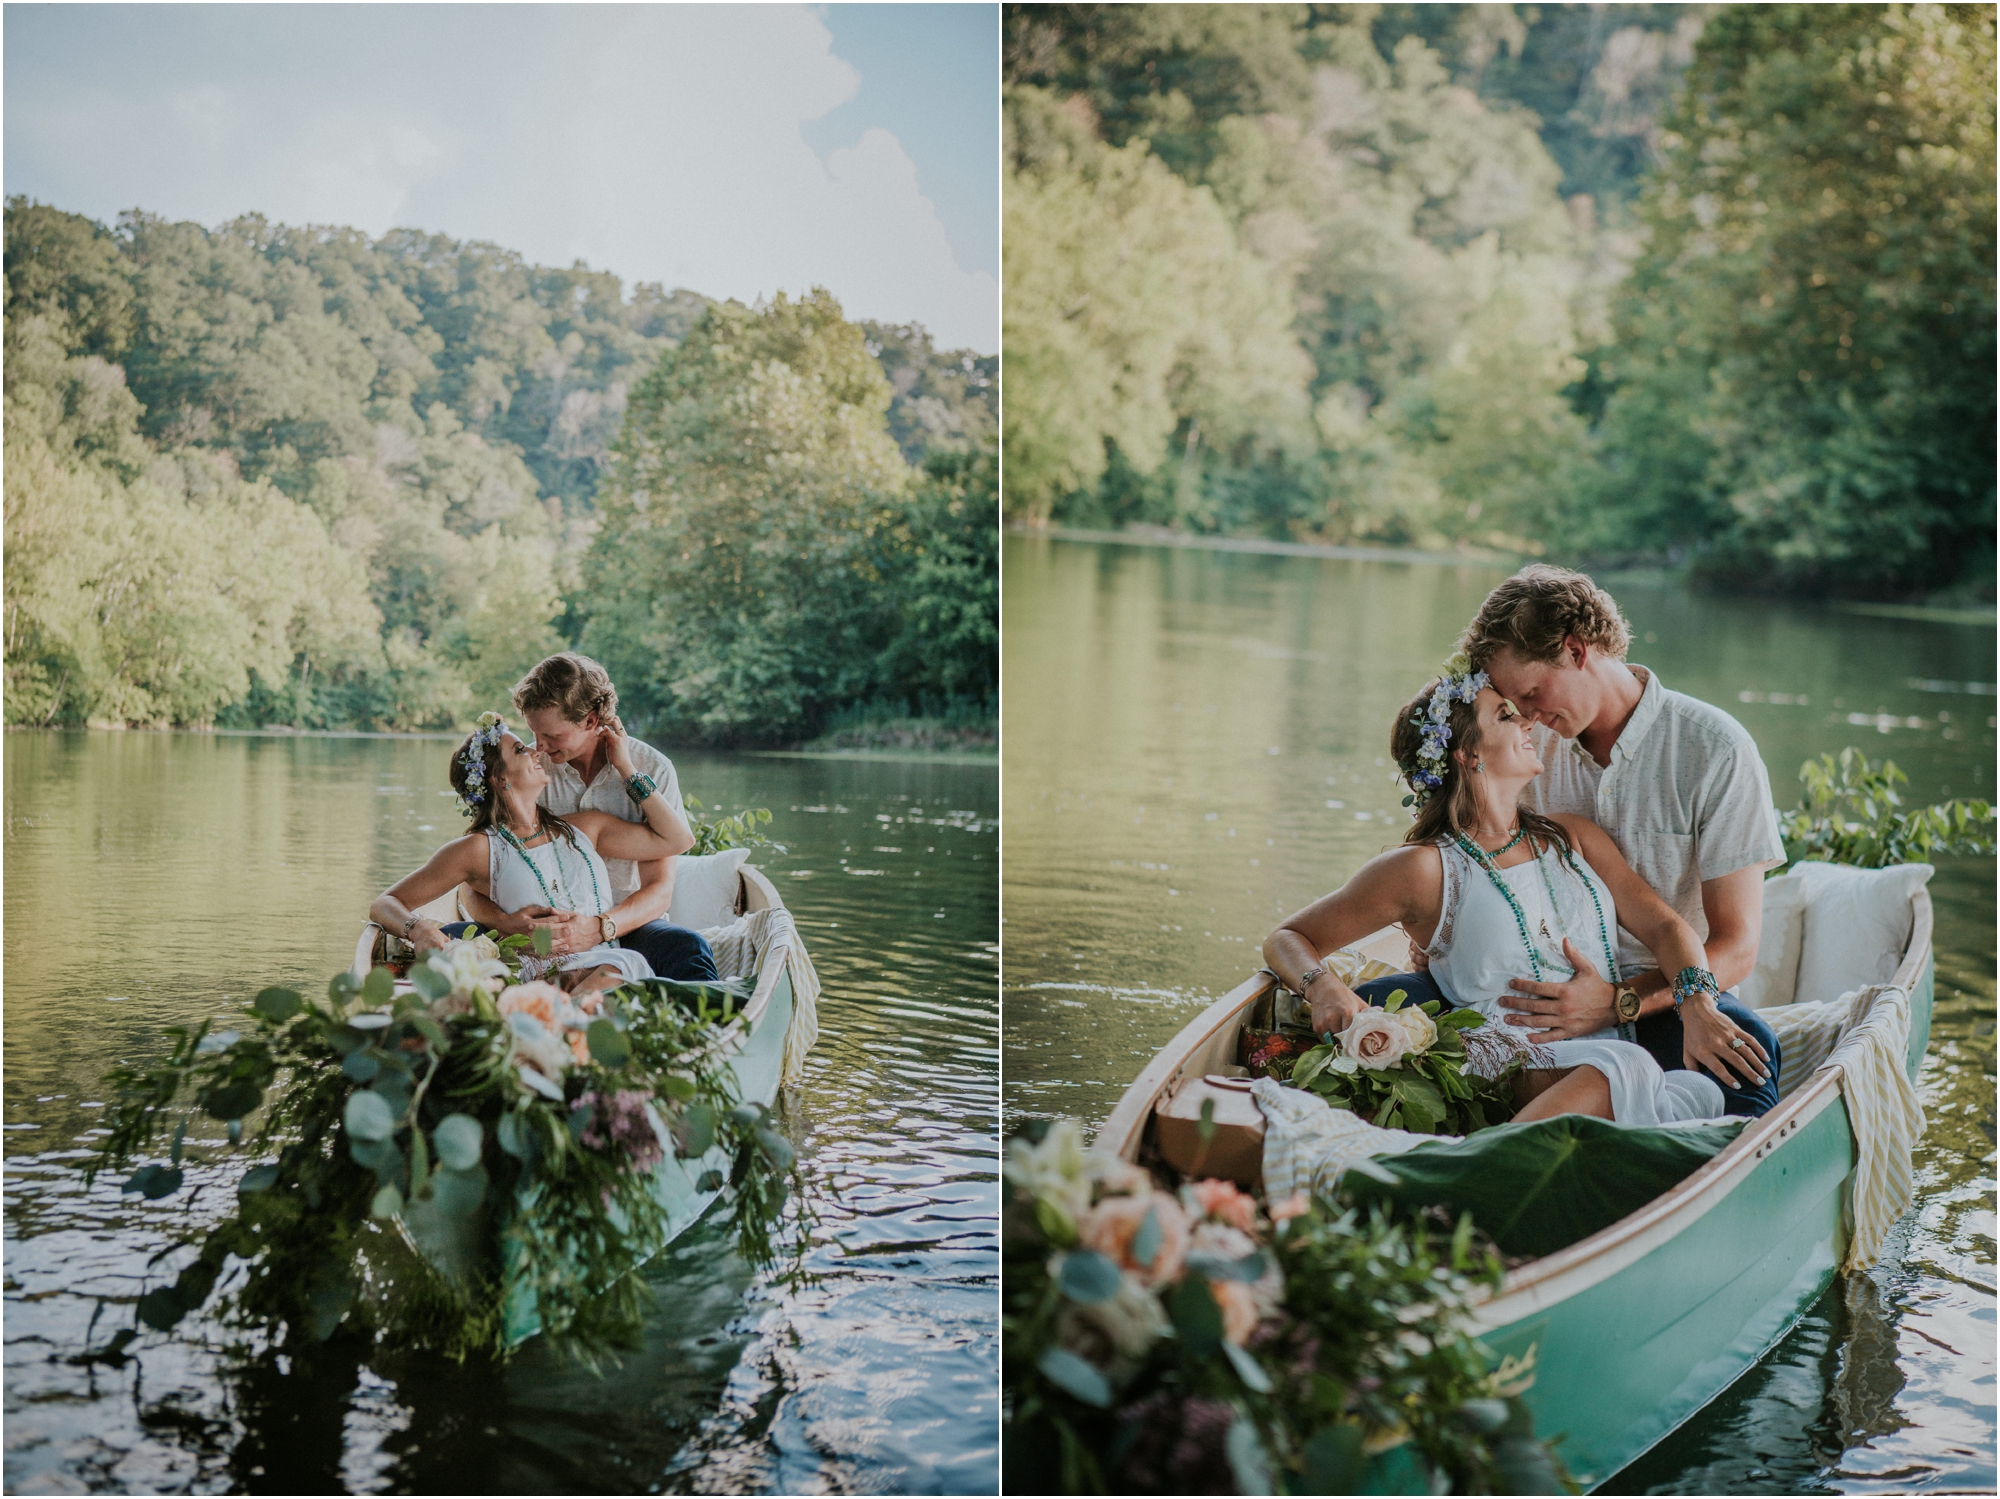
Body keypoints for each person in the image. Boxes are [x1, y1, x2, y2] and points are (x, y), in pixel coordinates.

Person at [1263, 667, 1777, 1125]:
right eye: (1507, 716)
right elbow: (1289, 937)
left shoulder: (1573, 835)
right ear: (1468, 755)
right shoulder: (1423, 868)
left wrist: (1697, 1003)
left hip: (1612, 1046)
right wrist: (1321, 986)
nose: (1530, 722)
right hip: (1510, 1066)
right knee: (1627, 1070)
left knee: (1697, 1088)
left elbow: (1667, 928)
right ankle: (1486, 1161)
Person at [1459, 565, 1785, 1116]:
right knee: (1394, 1005)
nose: (1530, 716)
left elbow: (1736, 947)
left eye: (1534, 693)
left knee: (1747, 1058)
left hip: (1674, 992)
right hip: (1539, 990)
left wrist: (1618, 1004)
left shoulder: (1714, 750)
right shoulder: (1525, 749)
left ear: (1577, 649)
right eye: (1516, 705)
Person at [370, 714, 687, 995]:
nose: (538, 751)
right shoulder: (480, 848)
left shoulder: (583, 829)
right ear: (500, 779)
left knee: (629, 965)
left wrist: (626, 767)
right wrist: (419, 928)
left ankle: (560, 1022)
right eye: (521, 750)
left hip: (608, 960)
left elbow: (676, 839)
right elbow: (385, 904)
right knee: (623, 969)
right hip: (542, 973)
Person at [459, 653, 721, 983]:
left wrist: (626, 770)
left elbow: (659, 889)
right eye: (534, 733)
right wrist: (508, 924)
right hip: (541, 934)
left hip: (627, 925)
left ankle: (715, 1032)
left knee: (688, 947)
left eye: (552, 736)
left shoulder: (652, 768)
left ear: (591, 721)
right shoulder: (527, 773)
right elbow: (475, 877)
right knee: (456, 934)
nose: (539, 746)